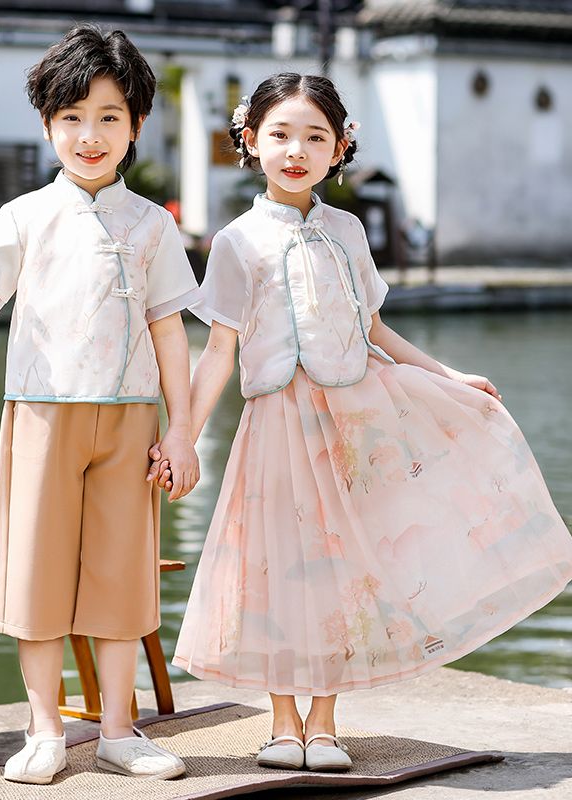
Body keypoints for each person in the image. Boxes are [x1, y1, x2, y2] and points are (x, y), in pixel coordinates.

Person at [150, 73, 572, 773]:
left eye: (315, 136)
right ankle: (282, 722)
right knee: (282, 568)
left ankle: (325, 722)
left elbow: (375, 328)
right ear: (250, 142)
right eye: (280, 134)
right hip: (277, 427)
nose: (297, 150)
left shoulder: (346, 230)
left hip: (354, 424)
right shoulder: (236, 242)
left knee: (345, 571)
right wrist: (182, 436)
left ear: (339, 147)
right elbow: (218, 351)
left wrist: (446, 375)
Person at [0, 24, 200, 785]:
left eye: (110, 116)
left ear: (137, 124)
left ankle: (117, 729)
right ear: (47, 125)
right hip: (40, 413)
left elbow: (170, 332)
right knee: (36, 577)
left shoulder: (153, 224)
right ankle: (44, 731)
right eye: (72, 117)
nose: (90, 134)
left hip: (133, 418)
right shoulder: (24, 215)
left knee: (121, 577)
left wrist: (184, 433)